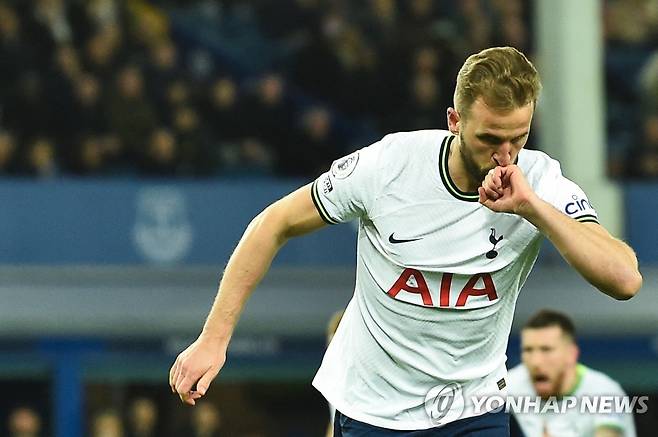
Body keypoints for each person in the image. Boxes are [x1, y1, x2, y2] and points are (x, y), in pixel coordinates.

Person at [169, 46, 642, 435]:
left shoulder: (539, 180)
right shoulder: (389, 166)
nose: (504, 155)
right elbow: (274, 223)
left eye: (518, 138)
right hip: (376, 412)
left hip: (473, 411)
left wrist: (534, 208)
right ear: (454, 121)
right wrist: (214, 340)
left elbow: (624, 279)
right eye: (490, 138)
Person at [507, 309, 637, 437]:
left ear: (571, 354)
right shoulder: (510, 385)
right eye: (528, 350)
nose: (536, 362)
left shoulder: (606, 392)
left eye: (546, 350)